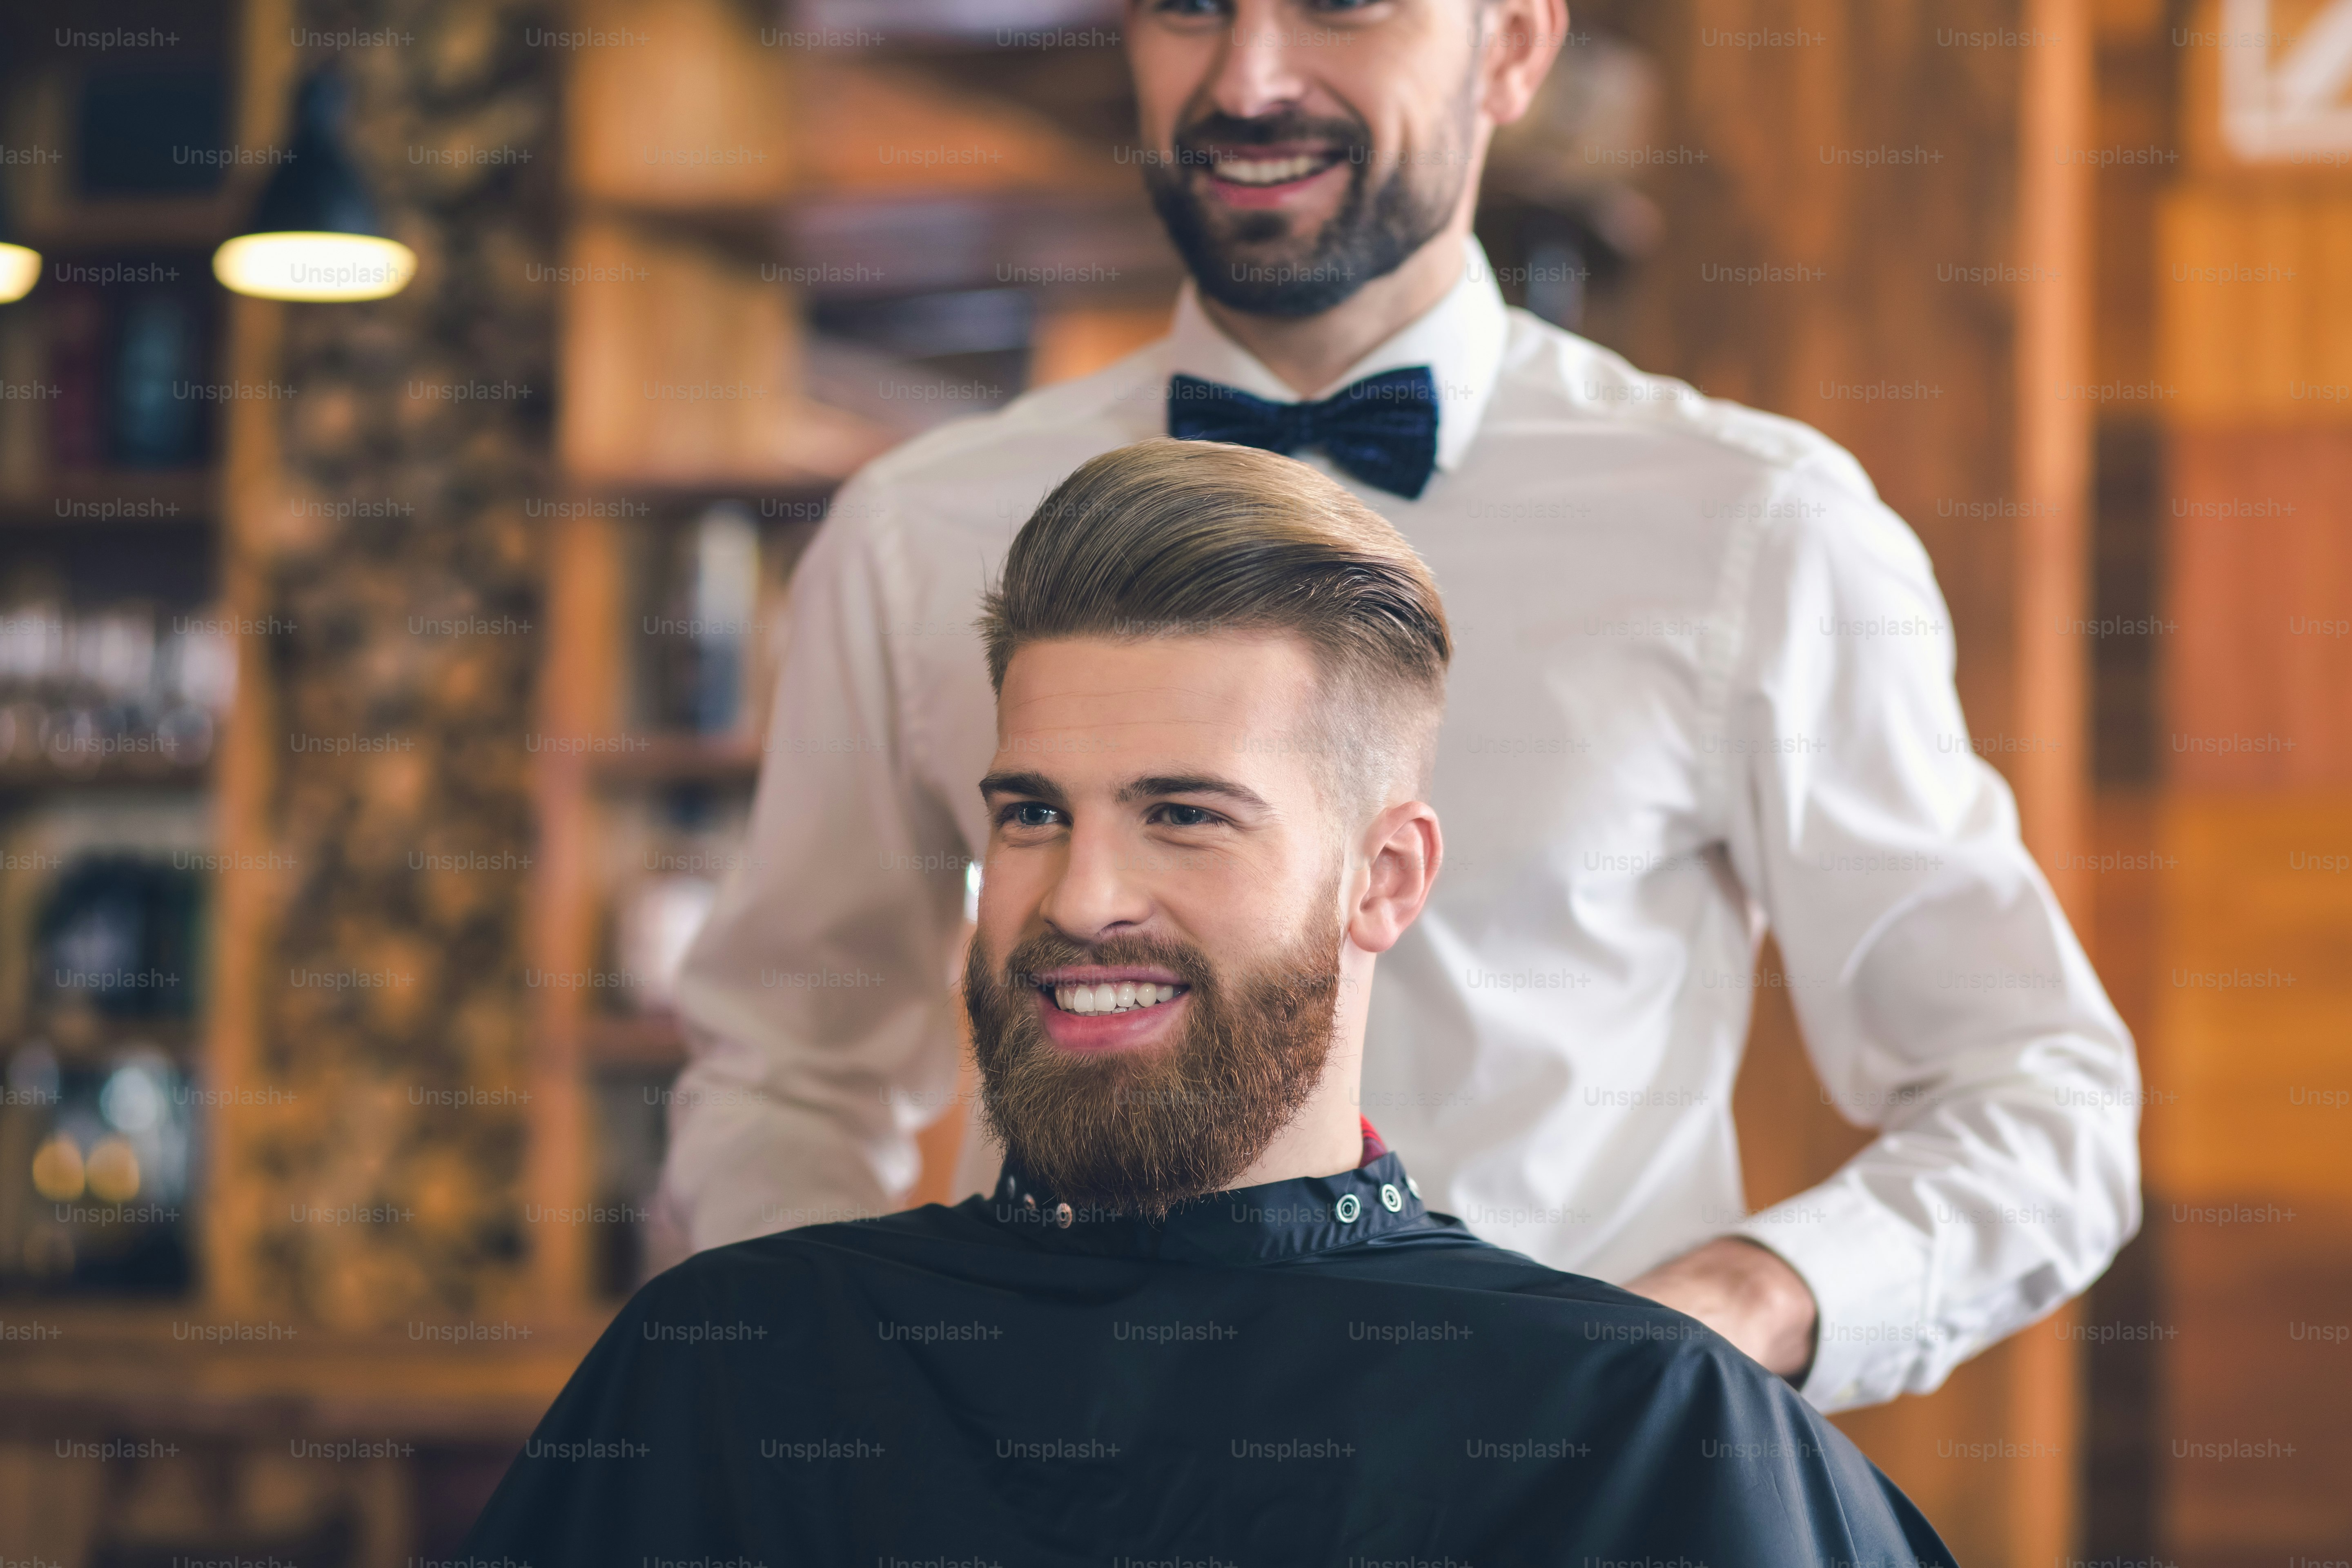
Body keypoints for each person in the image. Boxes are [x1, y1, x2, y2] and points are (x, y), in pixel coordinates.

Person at [655, 0, 2141, 1411]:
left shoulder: (1756, 528)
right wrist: (851, 1397)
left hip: (1558, 1506)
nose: (1247, 80)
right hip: (1053, 1487)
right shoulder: (919, 530)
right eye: (1187, 9)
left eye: (1343, 7)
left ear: (1512, 47)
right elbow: (785, 1062)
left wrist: (1724, 1315)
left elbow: (2035, 1098)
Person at [466, 444, 1955, 1566]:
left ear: (1384, 878)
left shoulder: (1637, 1433)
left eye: (1183, 816)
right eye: (1033, 814)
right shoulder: (730, 1366)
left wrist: (1761, 1292)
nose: (1077, 897)